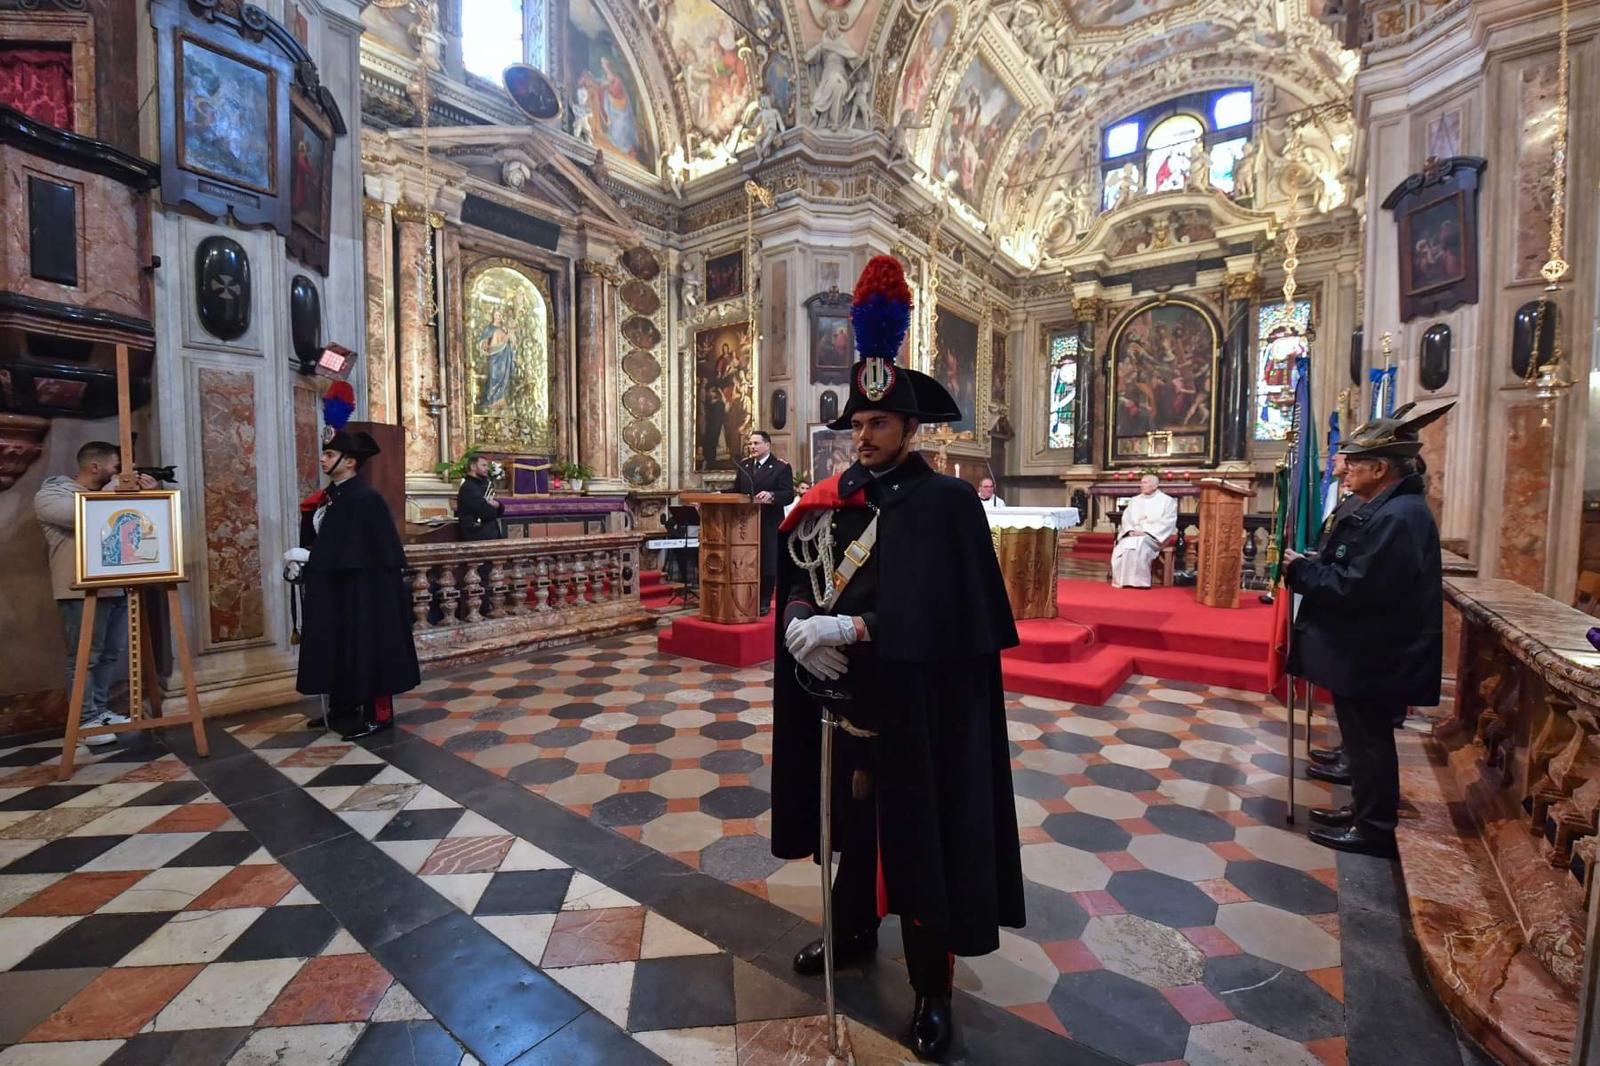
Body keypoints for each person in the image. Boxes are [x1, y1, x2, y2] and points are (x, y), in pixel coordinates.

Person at [771, 256, 1024, 1059]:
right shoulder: (836, 499)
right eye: (857, 424)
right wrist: (802, 625)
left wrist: (859, 631)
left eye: (879, 424)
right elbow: (809, 575)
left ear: (911, 428)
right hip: (847, 708)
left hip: (922, 712)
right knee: (850, 828)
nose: (864, 437)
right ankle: (850, 938)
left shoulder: (947, 506)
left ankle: (930, 987)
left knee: (922, 843)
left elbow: (961, 616)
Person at [1283, 403, 1451, 858]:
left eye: (1355, 462)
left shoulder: (1399, 516)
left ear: (1380, 468)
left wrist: (1301, 574)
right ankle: (1362, 809)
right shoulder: (1390, 509)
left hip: (1377, 652)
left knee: (1371, 741)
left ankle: (1374, 827)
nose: (1346, 468)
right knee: (1361, 739)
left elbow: (1358, 588)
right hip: (1366, 648)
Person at [286, 430, 420, 741]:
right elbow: (326, 538)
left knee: (369, 645)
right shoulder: (333, 496)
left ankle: (379, 715)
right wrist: (305, 561)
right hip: (336, 587)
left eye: (330, 455)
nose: (323, 459)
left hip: (367, 590)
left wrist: (313, 555)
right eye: (325, 453)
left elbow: (365, 548)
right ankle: (342, 705)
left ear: (350, 461)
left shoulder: (365, 498)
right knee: (337, 644)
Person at [34, 442, 158, 747]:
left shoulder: (106, 494)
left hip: (114, 583)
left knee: (111, 653)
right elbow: (83, 517)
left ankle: (100, 711)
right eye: (116, 467)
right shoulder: (52, 494)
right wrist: (114, 491)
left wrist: (147, 494)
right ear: (95, 467)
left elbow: (134, 524)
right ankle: (84, 719)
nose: (120, 474)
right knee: (84, 657)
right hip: (78, 589)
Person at [728, 429, 794, 614]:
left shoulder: (781, 467)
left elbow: (788, 495)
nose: (752, 447)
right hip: (744, 523)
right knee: (746, 560)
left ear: (767, 445)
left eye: (756, 443)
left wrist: (772, 495)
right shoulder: (744, 465)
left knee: (767, 562)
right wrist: (717, 495)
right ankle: (744, 598)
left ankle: (764, 600)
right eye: (750, 444)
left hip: (768, 523)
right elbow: (736, 491)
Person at [1109, 474, 1178, 588]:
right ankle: (1123, 580)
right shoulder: (1134, 500)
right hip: (1133, 534)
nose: (1141, 485)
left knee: (1139, 545)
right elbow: (1126, 519)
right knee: (1124, 545)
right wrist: (1130, 531)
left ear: (1155, 485)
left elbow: (1168, 522)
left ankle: (1139, 582)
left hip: (1154, 536)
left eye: (1145, 482)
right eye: (1141, 482)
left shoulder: (1167, 501)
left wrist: (1145, 532)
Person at [456, 453, 505, 541]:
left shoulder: (483, 484)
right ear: (473, 467)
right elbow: (486, 512)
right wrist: (496, 507)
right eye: (483, 465)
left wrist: (498, 505)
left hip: (489, 534)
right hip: (477, 536)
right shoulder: (469, 487)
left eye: (487, 465)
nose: (487, 468)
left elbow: (496, 509)